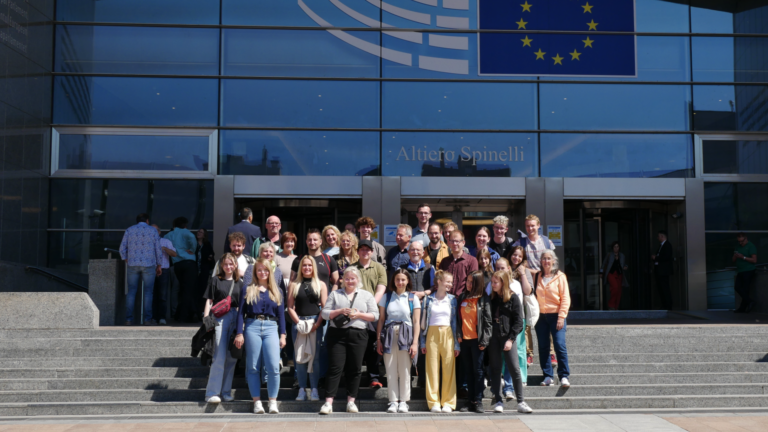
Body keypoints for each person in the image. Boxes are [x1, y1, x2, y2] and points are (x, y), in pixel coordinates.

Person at [319, 267, 380, 415]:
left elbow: (375, 315)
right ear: (342, 280)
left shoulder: (366, 295)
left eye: (353, 278)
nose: (350, 281)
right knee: (335, 368)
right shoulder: (335, 294)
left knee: (355, 369)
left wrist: (359, 315)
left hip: (358, 334)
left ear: (358, 280)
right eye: (347, 278)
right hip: (337, 334)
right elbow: (325, 313)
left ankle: (351, 401)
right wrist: (339, 311)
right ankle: (328, 402)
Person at [233, 258, 286, 414]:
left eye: (265, 270)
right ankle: (257, 402)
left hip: (271, 327)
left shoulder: (277, 290)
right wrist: (239, 333)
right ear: (255, 272)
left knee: (274, 367)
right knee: (253, 366)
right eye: (259, 270)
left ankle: (272, 402)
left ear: (270, 272)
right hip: (252, 326)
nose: (262, 272)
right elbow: (241, 313)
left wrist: (283, 335)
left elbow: (281, 315)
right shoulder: (247, 289)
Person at [376, 269, 422, 414]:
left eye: (403, 279)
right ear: (393, 281)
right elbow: (381, 319)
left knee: (405, 369)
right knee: (390, 369)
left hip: (406, 335)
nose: (400, 282)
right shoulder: (387, 297)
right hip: (389, 334)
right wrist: (378, 340)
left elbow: (416, 322)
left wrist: (415, 343)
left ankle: (403, 401)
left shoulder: (412, 298)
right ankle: (393, 401)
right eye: (397, 279)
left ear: (408, 281)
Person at [487, 271, 533, 414]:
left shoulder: (513, 298)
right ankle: (498, 401)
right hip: (493, 336)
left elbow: (519, 322)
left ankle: (521, 401)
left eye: (495, 282)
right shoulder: (492, 298)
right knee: (495, 369)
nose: (492, 285)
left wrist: (511, 339)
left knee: (514, 368)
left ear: (503, 283)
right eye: (492, 282)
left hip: (507, 336)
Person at [203, 253, 243, 404]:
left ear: (235, 265)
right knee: (219, 356)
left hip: (235, 317)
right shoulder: (215, 280)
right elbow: (209, 300)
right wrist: (206, 319)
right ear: (221, 265)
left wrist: (241, 325)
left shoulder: (240, 283)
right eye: (225, 264)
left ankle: (226, 392)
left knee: (232, 357)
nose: (228, 267)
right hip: (220, 318)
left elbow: (241, 305)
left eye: (231, 264)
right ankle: (212, 392)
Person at [286, 256, 328, 402]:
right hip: (299, 323)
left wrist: (316, 324)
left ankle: (314, 389)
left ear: (314, 267)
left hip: (315, 323)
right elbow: (290, 307)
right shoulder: (294, 284)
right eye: (304, 266)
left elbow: (325, 307)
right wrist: (298, 323)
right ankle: (302, 389)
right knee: (300, 358)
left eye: (310, 265)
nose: (307, 268)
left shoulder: (321, 284)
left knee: (315, 358)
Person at [420, 270, 459, 413]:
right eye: (448, 281)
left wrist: (456, 344)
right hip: (431, 333)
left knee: (449, 369)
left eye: (451, 282)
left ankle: (448, 402)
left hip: (448, 333)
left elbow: (455, 322)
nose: (450, 284)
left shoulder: (453, 299)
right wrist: (422, 342)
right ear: (439, 282)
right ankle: (434, 402)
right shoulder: (428, 299)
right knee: (432, 369)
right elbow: (423, 322)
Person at [354, 239, 388, 388]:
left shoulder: (379, 268)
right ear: (357, 251)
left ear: (372, 252)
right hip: (356, 312)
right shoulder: (352, 268)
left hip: (373, 312)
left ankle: (373, 377)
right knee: (357, 345)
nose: (365, 252)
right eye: (362, 249)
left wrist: (370, 307)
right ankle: (354, 377)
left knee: (374, 345)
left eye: (367, 249)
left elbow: (381, 289)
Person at [534, 250, 571, 388]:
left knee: (559, 345)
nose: (546, 261)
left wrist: (562, 316)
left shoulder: (560, 276)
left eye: (549, 259)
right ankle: (548, 376)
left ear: (554, 261)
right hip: (541, 317)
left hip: (556, 316)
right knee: (543, 347)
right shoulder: (537, 276)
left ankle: (564, 376)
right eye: (544, 258)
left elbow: (565, 298)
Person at [456, 271, 491, 413]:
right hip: (464, 340)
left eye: (472, 282)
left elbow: (488, 323)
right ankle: (470, 401)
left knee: (478, 371)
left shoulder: (483, 299)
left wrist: (485, 340)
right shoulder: (463, 297)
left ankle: (478, 400)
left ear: (478, 283)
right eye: (468, 281)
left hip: (478, 340)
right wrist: (459, 334)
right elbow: (458, 319)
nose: (468, 284)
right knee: (468, 371)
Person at [496, 257, 531, 399]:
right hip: (497, 329)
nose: (500, 271)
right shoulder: (492, 285)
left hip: (511, 327)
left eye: (502, 268)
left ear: (509, 269)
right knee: (499, 360)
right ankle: (498, 389)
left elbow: (516, 309)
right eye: (497, 268)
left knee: (513, 356)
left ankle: (510, 387)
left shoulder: (515, 285)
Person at [119, 213, 162, 326]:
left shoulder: (129, 230)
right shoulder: (152, 231)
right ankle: (147, 320)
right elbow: (158, 249)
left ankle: (128, 319)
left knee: (131, 291)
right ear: (147, 221)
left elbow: (122, 248)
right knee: (148, 292)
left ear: (137, 220)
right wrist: (159, 264)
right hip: (149, 264)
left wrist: (126, 259)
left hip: (133, 264)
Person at [166, 216, 199, 323]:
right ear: (185, 225)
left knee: (184, 290)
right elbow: (192, 238)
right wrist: (192, 249)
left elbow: (162, 242)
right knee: (189, 290)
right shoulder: (186, 232)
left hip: (177, 265)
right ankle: (185, 316)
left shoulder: (169, 235)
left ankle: (184, 314)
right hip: (189, 263)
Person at [291, 229, 339, 293]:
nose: (312, 242)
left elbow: (336, 282)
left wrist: (331, 298)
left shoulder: (329, 259)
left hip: (324, 301)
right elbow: (291, 282)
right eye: (310, 240)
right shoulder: (298, 260)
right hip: (302, 301)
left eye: (315, 240)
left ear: (320, 241)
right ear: (306, 242)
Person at [439, 231, 479, 297]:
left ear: (463, 243)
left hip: (464, 300)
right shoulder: (444, 261)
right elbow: (439, 281)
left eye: (457, 241)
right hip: (445, 300)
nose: (454, 244)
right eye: (452, 241)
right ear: (449, 243)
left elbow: (473, 283)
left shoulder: (472, 261)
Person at [152, 224, 176, 326]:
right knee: (151, 295)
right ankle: (152, 317)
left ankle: (161, 317)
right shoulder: (147, 242)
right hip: (150, 271)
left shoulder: (166, 241)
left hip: (164, 270)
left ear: (159, 232)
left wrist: (165, 249)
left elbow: (174, 254)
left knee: (162, 295)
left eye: (155, 230)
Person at [733, 233, 759, 313]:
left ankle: (743, 307)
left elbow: (754, 260)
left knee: (745, 289)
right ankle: (749, 302)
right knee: (738, 287)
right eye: (739, 242)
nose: (741, 243)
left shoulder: (751, 246)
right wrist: (735, 256)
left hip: (749, 270)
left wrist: (743, 257)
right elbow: (733, 260)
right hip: (740, 270)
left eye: (742, 241)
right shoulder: (738, 246)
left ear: (746, 238)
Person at [600, 241, 629, 311]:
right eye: (615, 247)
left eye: (617, 247)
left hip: (619, 274)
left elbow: (624, 264)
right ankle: (611, 305)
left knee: (619, 290)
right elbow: (603, 264)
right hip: (611, 274)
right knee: (615, 287)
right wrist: (601, 272)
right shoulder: (609, 255)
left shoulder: (622, 255)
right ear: (612, 248)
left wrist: (626, 266)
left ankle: (616, 307)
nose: (616, 248)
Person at [195, 228, 215, 318]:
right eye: (198, 231)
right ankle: (194, 311)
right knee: (194, 291)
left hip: (203, 270)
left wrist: (209, 257)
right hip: (194, 270)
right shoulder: (193, 243)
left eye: (201, 232)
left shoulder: (207, 244)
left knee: (203, 290)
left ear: (204, 235)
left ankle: (202, 311)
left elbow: (211, 255)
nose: (199, 233)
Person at [651, 231, 674, 310]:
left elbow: (667, 257)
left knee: (664, 288)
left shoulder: (667, 245)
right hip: (659, 271)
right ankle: (664, 304)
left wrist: (656, 258)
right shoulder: (661, 245)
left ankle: (667, 305)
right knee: (661, 288)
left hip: (664, 271)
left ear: (662, 236)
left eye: (658, 236)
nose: (657, 238)